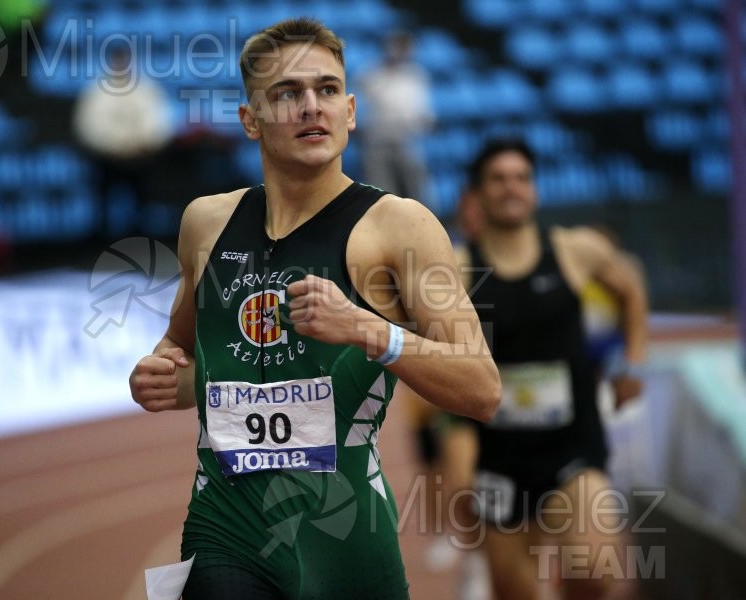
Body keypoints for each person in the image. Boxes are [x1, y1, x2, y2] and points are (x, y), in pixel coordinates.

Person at [129, 18, 501, 600]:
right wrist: (157, 373)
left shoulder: (400, 227)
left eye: (327, 90)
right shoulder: (207, 222)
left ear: (350, 110)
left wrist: (367, 329)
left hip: (346, 534)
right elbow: (182, 352)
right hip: (227, 525)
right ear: (250, 121)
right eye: (287, 94)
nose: (311, 107)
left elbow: (482, 388)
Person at [454, 138, 649, 600]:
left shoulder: (574, 250)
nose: (511, 188)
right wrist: (451, 440)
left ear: (535, 190)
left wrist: (632, 362)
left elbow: (631, 290)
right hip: (499, 458)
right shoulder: (458, 269)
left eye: (522, 178)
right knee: (515, 591)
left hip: (572, 448)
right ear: (477, 194)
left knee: (597, 570)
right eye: (498, 179)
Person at [73, 42, 173, 239]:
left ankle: (142, 231)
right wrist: (113, 147)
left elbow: (159, 122)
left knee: (144, 187)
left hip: (140, 157)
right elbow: (88, 126)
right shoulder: (95, 92)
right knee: (102, 188)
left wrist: (142, 144)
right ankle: (103, 234)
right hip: (108, 159)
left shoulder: (147, 89)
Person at [359, 31, 435, 204]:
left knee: (416, 186)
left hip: (408, 139)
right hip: (378, 140)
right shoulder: (371, 74)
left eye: (405, 48)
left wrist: (424, 124)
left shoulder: (416, 74)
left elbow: (423, 109)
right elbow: (364, 105)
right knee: (382, 188)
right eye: (398, 47)